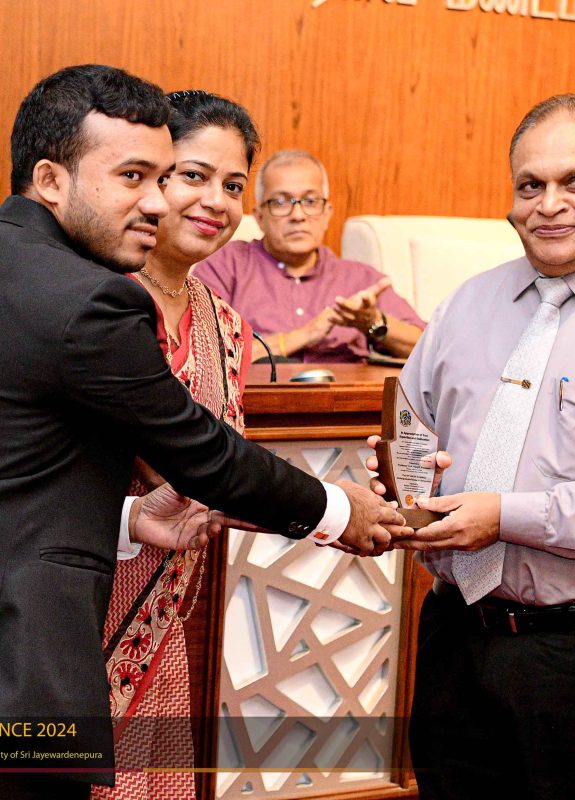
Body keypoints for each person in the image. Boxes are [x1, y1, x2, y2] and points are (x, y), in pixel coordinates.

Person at [0, 65, 405, 800]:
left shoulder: (210, 319)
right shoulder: (92, 298)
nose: (168, 201)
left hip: (148, 613)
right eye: (149, 176)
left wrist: (131, 520)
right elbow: (206, 457)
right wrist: (338, 510)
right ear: (53, 179)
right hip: (48, 645)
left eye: (232, 183)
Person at [368, 94, 575, 799]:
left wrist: (505, 516)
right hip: (453, 638)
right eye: (530, 185)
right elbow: (412, 431)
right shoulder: (466, 304)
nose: (549, 205)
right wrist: (397, 483)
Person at [91, 89, 261, 800]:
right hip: (72, 625)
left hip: (159, 631)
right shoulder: (89, 299)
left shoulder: (227, 324)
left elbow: (223, 474)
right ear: (150, 178)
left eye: (234, 185)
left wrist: (335, 511)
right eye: (194, 175)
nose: (215, 201)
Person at [193, 149, 425, 362]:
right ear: (260, 217)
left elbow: (427, 349)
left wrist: (374, 322)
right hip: (259, 395)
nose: (298, 215)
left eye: (311, 201)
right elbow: (202, 354)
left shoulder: (359, 279)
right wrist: (306, 334)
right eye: (281, 202)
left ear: (326, 214)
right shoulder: (226, 266)